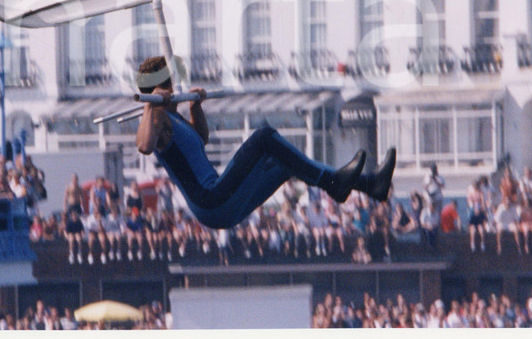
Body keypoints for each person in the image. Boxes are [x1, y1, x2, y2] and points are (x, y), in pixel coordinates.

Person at [134, 56, 395, 230]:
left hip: (221, 202)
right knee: (264, 137)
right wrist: (149, 104)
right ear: (161, 87)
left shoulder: (171, 116)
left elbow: (200, 140)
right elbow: (144, 146)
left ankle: (371, 185)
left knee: (285, 164)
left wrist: (195, 106)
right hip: (211, 202)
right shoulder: (155, 118)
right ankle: (335, 184)